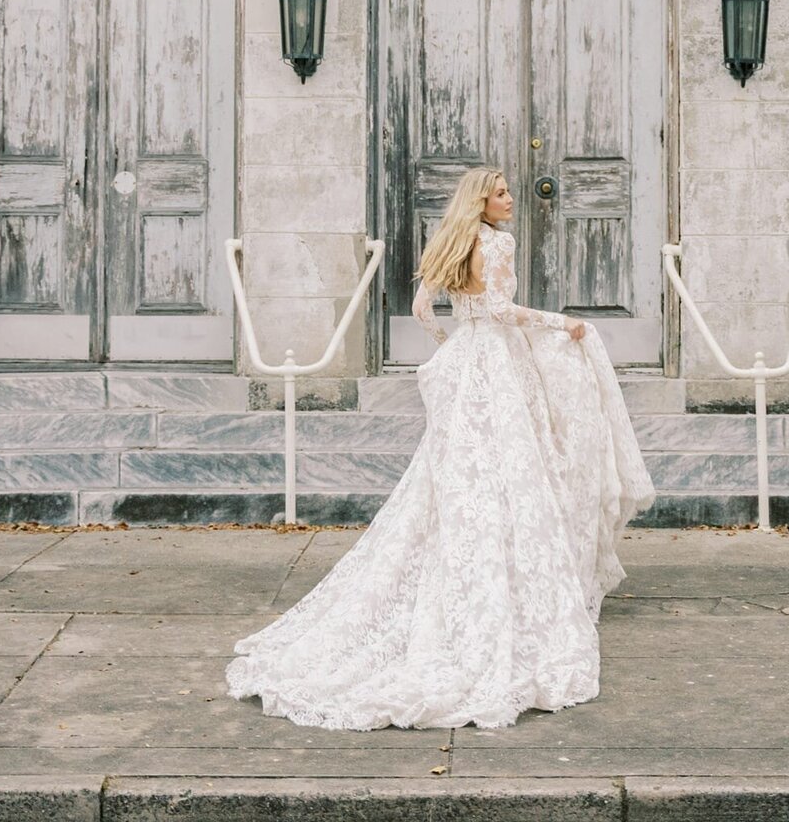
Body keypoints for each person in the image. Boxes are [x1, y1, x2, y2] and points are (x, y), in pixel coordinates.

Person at [226, 166, 655, 730]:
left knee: (455, 479)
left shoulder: (450, 243)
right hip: (499, 366)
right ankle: (503, 592)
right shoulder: (496, 244)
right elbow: (501, 311)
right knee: (509, 474)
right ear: (480, 201)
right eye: (501, 193)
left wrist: (451, 344)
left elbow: (423, 310)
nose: (510, 200)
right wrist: (561, 323)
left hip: (466, 362)